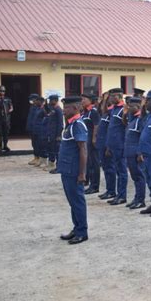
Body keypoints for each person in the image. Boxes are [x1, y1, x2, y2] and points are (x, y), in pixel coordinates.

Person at [58, 96, 89, 245]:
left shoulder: (78, 125)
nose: (64, 110)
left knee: (77, 201)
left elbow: (83, 150)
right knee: (72, 201)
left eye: (67, 108)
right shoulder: (70, 124)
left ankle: (82, 232)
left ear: (76, 108)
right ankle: (76, 228)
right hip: (66, 169)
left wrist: (82, 173)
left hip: (74, 171)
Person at [105, 88, 128, 205]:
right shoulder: (113, 109)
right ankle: (118, 194)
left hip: (120, 144)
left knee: (122, 171)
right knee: (117, 170)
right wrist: (109, 145)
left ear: (119, 97)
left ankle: (122, 195)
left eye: (113, 96)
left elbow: (125, 128)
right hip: (113, 144)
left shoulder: (123, 110)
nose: (110, 98)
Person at [123, 97, 146, 209]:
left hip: (136, 151)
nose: (129, 108)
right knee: (134, 176)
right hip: (129, 151)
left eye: (132, 106)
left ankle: (141, 200)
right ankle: (137, 198)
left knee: (139, 176)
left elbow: (142, 137)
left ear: (138, 107)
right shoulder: (132, 119)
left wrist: (140, 152)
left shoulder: (140, 119)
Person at [96, 94, 117, 200]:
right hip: (101, 143)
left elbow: (111, 131)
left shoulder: (112, 113)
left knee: (110, 168)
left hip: (107, 144)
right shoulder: (105, 113)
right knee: (105, 168)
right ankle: (109, 190)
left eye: (106, 100)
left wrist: (109, 146)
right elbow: (102, 108)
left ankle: (112, 191)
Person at [81, 94, 101, 194]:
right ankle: (88, 182)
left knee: (94, 163)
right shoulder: (85, 112)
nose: (82, 101)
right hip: (85, 140)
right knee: (88, 163)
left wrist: (94, 138)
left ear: (90, 100)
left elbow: (96, 125)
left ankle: (95, 186)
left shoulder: (93, 112)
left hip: (91, 141)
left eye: (84, 99)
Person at [44, 95, 64, 173]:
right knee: (51, 149)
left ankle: (59, 167)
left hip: (56, 134)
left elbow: (60, 124)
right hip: (51, 133)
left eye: (51, 100)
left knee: (57, 151)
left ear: (55, 100)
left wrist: (59, 135)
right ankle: (53, 165)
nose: (50, 102)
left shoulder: (58, 110)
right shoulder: (53, 109)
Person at [32, 96, 49, 168]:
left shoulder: (44, 109)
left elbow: (47, 118)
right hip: (36, 129)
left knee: (42, 145)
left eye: (37, 101)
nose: (36, 102)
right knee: (37, 145)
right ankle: (40, 159)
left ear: (41, 102)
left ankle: (44, 161)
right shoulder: (37, 109)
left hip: (41, 130)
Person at [0, 85, 13, 153]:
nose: (2, 92)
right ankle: (0, 146)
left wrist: (9, 110)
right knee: (0, 133)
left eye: (3, 91)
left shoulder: (7, 99)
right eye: (0, 91)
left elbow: (11, 107)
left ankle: (5, 146)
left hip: (6, 119)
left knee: (6, 133)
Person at [27, 94, 41, 165]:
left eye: (32, 99)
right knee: (34, 144)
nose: (31, 101)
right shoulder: (32, 107)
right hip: (32, 129)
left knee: (38, 144)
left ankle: (39, 158)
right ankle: (35, 157)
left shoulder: (39, 108)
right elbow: (30, 119)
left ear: (36, 100)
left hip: (37, 129)